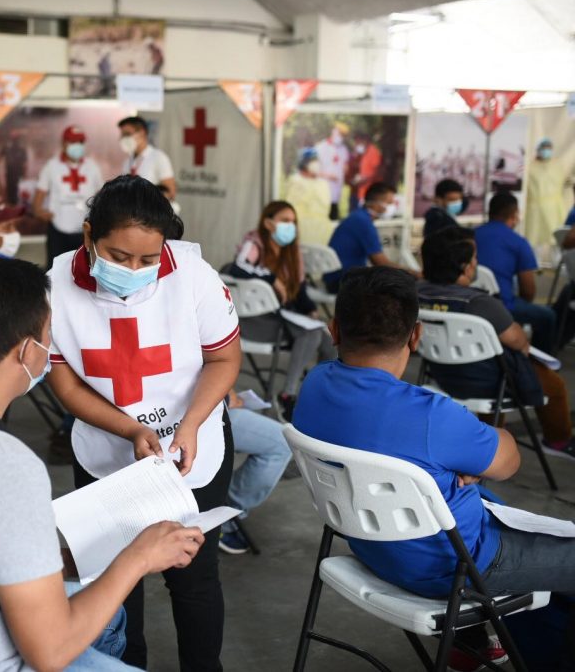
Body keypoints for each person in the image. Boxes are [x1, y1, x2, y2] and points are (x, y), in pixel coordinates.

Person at [0, 256, 205, 671]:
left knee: (108, 614)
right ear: (27, 351)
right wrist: (139, 558)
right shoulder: (2, 464)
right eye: (48, 336)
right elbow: (50, 651)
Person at [294, 266, 575, 671]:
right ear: (416, 336)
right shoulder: (433, 417)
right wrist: (476, 447)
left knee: (486, 499)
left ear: (334, 330)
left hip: (371, 546)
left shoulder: (315, 385)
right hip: (455, 568)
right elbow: (509, 462)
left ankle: (474, 643)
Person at [47, 175, 241, 669]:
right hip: (106, 454)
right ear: (88, 235)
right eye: (117, 256)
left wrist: (192, 424)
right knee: (113, 578)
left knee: (193, 578)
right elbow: (67, 385)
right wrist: (131, 429)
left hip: (189, 449)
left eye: (148, 260)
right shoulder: (54, 287)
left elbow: (223, 361)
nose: (134, 270)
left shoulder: (194, 277)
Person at [418, 227, 574, 459]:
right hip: (489, 382)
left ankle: (489, 439)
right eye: (474, 258)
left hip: (440, 376)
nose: (476, 263)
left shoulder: (415, 293)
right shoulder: (480, 302)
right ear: (465, 266)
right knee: (554, 385)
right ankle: (558, 441)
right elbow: (519, 342)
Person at [224, 201, 336, 419]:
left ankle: (319, 395)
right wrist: (272, 278)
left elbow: (300, 292)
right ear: (268, 223)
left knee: (328, 339)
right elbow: (236, 268)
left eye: (293, 222)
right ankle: (287, 395)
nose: (290, 226)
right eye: (285, 221)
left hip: (281, 319)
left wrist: (312, 312)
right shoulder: (255, 244)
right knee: (311, 334)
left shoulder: (292, 254)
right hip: (255, 321)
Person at [475, 192, 556, 353]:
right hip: (502, 306)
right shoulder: (518, 242)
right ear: (514, 215)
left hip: (468, 303)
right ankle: (540, 365)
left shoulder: (469, 235)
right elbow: (528, 290)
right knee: (548, 316)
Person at [217, 391, 291, 555]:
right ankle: (223, 518)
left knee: (281, 438)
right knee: (282, 443)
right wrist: (225, 397)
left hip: (203, 404)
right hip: (192, 415)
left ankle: (222, 510)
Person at [324, 182, 419, 294]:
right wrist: (415, 274)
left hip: (338, 278)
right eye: (389, 202)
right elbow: (380, 263)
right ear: (374, 203)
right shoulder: (363, 222)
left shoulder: (358, 216)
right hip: (342, 281)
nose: (393, 206)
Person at [33, 125, 105, 262]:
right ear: (63, 143)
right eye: (72, 142)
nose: (77, 145)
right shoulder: (52, 166)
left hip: (85, 230)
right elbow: (39, 194)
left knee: (85, 269)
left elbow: (102, 194)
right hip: (58, 229)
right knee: (54, 268)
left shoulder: (92, 166)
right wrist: (39, 211)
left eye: (80, 142)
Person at [525, 138, 568, 257]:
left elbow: (564, 181)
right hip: (535, 208)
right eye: (544, 148)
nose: (546, 151)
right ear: (538, 150)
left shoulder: (557, 165)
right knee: (534, 237)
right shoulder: (529, 167)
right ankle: (534, 264)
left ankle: (559, 264)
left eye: (549, 149)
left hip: (555, 207)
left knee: (557, 238)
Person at [281, 147, 333, 245]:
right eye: (313, 161)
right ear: (304, 164)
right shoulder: (296, 181)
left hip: (322, 234)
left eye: (316, 160)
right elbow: (291, 208)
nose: (316, 164)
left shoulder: (323, 183)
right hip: (302, 232)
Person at [119, 116, 176, 200]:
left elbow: (170, 191)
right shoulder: (128, 161)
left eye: (127, 134)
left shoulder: (158, 157)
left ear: (142, 133)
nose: (123, 138)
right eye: (122, 135)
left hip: (151, 211)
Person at [314, 122, 350, 220]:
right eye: (339, 134)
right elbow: (313, 171)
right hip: (322, 192)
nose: (340, 137)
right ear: (333, 132)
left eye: (343, 135)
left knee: (333, 219)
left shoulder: (343, 149)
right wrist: (328, 175)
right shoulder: (321, 147)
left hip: (336, 193)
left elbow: (345, 166)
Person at [348, 131, 382, 210]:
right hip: (361, 193)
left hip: (369, 194)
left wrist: (365, 179)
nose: (356, 145)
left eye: (357, 142)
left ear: (364, 141)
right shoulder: (364, 153)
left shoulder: (373, 152)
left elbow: (378, 173)